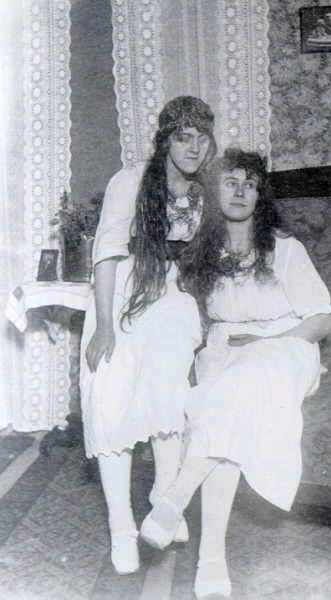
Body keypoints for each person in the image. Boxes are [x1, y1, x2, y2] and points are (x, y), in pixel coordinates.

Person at [140, 148, 331, 599]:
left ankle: (175, 500)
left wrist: (269, 342)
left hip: (287, 347)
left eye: (251, 184)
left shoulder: (284, 249)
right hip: (226, 349)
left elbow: (323, 321)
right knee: (227, 405)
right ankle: (211, 558)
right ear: (214, 192)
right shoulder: (202, 253)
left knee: (239, 388)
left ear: (260, 196)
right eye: (230, 182)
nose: (241, 191)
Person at [79, 96, 216, 575]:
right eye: (183, 137)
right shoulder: (132, 180)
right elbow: (106, 252)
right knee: (111, 395)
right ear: (165, 141)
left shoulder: (204, 192)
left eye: (202, 138)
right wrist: (103, 326)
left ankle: (163, 493)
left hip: (169, 296)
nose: (194, 147)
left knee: (170, 382)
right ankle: (121, 525)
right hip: (120, 297)